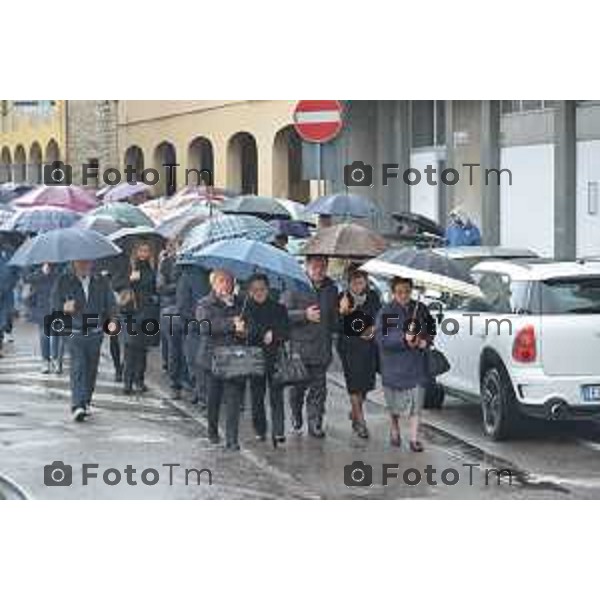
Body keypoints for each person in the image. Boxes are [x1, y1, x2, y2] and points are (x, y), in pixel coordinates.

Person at [374, 276, 436, 451]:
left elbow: (430, 329)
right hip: (393, 364)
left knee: (417, 399)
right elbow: (381, 338)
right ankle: (395, 427)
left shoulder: (421, 308)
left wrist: (425, 341)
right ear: (393, 293)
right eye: (400, 292)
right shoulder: (387, 311)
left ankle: (414, 438)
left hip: (415, 363)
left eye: (407, 291)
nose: (404, 295)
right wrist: (403, 338)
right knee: (395, 404)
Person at [51, 260, 115, 422]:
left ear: (92, 263)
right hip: (74, 331)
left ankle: (85, 400)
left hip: (95, 331)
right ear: (74, 263)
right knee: (78, 366)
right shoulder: (64, 281)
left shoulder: (101, 281)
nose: (83, 265)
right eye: (80, 262)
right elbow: (54, 305)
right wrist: (63, 308)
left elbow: (110, 304)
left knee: (91, 369)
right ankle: (77, 405)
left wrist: (112, 320)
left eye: (86, 262)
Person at [283, 255, 338, 438]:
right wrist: (304, 315)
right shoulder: (294, 285)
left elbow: (334, 322)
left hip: (322, 348)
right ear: (306, 267)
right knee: (298, 388)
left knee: (319, 389)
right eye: (315, 267)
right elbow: (283, 315)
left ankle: (315, 423)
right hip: (300, 349)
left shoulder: (332, 288)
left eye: (323, 266)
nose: (319, 270)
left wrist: (343, 311)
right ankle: (296, 413)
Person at [195, 269, 247, 450]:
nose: (225, 285)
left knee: (233, 399)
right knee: (213, 398)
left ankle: (232, 439)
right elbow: (205, 327)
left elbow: (248, 327)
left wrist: (243, 330)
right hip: (212, 358)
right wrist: (231, 324)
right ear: (213, 284)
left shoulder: (241, 304)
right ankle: (212, 430)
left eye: (228, 281)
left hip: (234, 358)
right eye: (221, 281)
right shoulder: (205, 304)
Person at [245, 274, 290, 445]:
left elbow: (286, 331)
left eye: (262, 289)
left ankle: (278, 430)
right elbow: (244, 332)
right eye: (255, 289)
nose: (259, 292)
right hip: (254, 357)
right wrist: (261, 332)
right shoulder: (245, 308)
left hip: (274, 358)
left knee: (276, 396)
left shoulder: (279, 308)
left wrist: (275, 334)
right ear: (249, 291)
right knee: (257, 396)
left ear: (268, 289)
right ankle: (260, 429)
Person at [337, 269, 381, 439]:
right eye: (354, 282)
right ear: (349, 283)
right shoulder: (342, 298)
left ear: (366, 282)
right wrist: (343, 313)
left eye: (360, 282)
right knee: (354, 384)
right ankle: (360, 422)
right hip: (349, 347)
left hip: (369, 347)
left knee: (366, 384)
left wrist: (373, 329)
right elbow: (337, 325)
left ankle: (354, 411)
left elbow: (378, 317)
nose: (357, 286)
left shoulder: (373, 297)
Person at [119, 242, 158, 395]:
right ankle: (127, 382)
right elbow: (118, 284)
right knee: (130, 348)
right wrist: (130, 280)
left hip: (147, 313)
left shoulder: (151, 269)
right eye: (141, 250)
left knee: (142, 348)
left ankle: (139, 380)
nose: (144, 253)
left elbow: (154, 287)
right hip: (132, 312)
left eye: (147, 250)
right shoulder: (129, 267)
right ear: (136, 252)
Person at [176, 264, 210, 405]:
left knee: (195, 360)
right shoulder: (219, 274)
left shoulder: (187, 275)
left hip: (196, 325)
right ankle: (200, 392)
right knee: (201, 360)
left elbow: (182, 304)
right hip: (205, 324)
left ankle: (199, 392)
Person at [24, 262, 65, 374]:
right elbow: (27, 277)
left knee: (56, 333)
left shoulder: (60, 261)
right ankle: (45, 360)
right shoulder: (35, 260)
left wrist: (54, 272)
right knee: (44, 334)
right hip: (41, 302)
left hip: (56, 301)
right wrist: (42, 272)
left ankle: (55, 359)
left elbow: (65, 276)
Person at [157, 240, 180, 371]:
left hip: (178, 303)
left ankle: (173, 366)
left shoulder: (184, 265)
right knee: (167, 337)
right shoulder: (165, 263)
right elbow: (161, 287)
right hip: (168, 304)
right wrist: (178, 287)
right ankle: (167, 363)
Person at [0, 243, 18, 358]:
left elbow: (16, 269)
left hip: (6, 292)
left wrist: (12, 283)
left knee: (2, 319)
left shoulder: (8, 251)